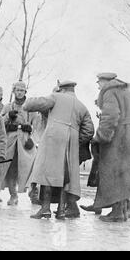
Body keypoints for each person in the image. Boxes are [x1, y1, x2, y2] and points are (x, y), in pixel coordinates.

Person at [23, 81, 94, 219]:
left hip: (52, 138)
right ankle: (61, 210)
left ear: (61, 89)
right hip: (71, 143)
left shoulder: (56, 97)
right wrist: (75, 141)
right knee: (65, 177)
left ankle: (45, 209)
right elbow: (89, 131)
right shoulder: (82, 106)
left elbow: (28, 105)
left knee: (47, 174)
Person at [91, 73, 130, 222]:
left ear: (106, 82)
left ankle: (117, 212)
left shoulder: (110, 92)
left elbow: (111, 116)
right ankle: (125, 210)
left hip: (118, 135)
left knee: (113, 170)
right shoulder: (128, 92)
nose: (98, 86)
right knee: (124, 172)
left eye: (99, 82)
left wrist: (101, 136)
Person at [0, 81, 40, 206]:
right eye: (17, 90)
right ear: (13, 91)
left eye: (22, 90)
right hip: (11, 141)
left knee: (31, 167)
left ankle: (33, 193)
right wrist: (7, 117)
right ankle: (13, 195)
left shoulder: (31, 109)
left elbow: (37, 126)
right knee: (10, 169)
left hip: (25, 141)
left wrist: (32, 139)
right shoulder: (7, 107)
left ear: (25, 92)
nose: (19, 93)